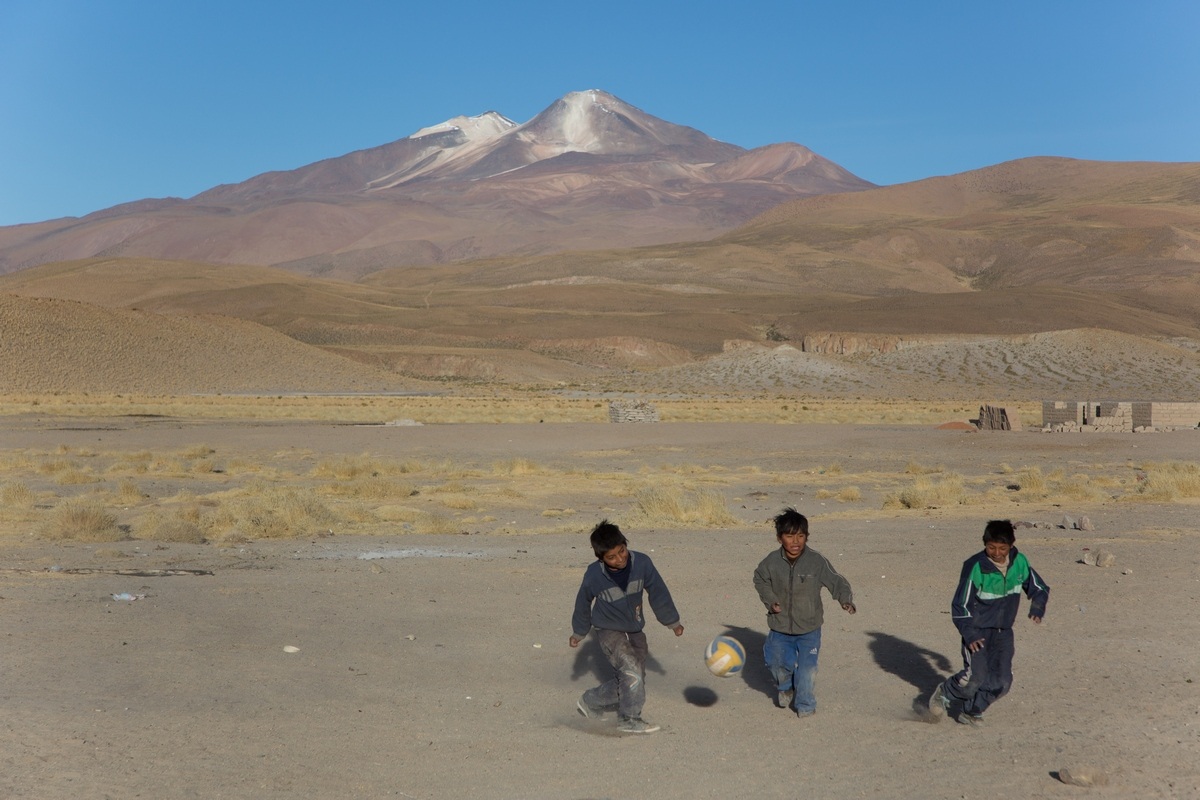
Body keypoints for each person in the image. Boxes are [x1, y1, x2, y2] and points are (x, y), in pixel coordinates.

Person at [929, 519, 1049, 726]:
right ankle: (945, 692)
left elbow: (1040, 588)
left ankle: (972, 711)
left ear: (1011, 545)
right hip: (977, 631)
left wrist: (1037, 608)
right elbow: (960, 605)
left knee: (1002, 682)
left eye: (1002, 548)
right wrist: (970, 634)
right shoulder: (975, 566)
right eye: (991, 547)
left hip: (1004, 633)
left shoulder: (1020, 562)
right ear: (984, 544)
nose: (996, 553)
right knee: (975, 677)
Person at [569, 520, 684, 734]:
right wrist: (579, 631)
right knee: (632, 673)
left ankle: (591, 700)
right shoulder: (594, 574)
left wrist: (672, 622)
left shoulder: (643, 563)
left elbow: (658, 592)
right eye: (611, 557)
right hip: (608, 630)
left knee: (635, 677)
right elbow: (582, 601)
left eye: (622, 551)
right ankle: (629, 718)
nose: (620, 559)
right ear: (600, 558)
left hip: (635, 629)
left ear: (625, 543)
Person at [752, 507, 856, 717]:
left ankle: (806, 705)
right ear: (779, 538)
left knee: (807, 671)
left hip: (809, 628)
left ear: (807, 537)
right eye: (790, 536)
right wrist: (771, 601)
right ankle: (785, 687)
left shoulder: (816, 561)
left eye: (801, 536)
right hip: (780, 627)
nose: (796, 541)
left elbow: (837, 581)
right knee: (775, 663)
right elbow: (760, 579)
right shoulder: (771, 562)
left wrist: (845, 600)